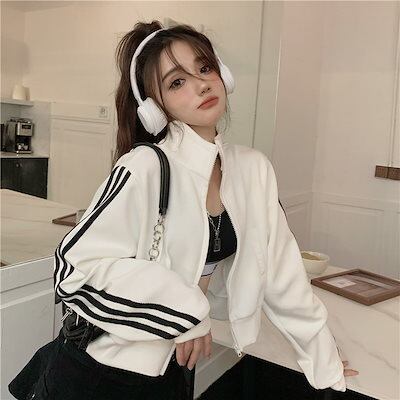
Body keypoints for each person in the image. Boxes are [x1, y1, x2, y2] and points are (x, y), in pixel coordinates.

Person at [11, 20, 359, 400]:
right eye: (177, 82)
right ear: (154, 108)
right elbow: (75, 268)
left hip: (172, 372)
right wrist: (187, 311)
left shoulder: (253, 170)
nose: (201, 84)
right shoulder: (145, 166)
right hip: (100, 371)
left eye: (205, 68)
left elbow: (283, 276)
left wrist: (323, 360)